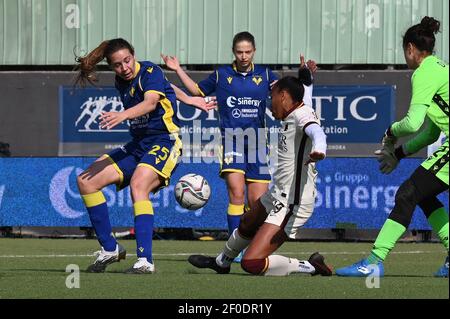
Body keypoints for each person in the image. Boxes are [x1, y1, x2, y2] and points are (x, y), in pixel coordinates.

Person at [162, 32, 316, 262]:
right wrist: (177, 69)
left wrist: (304, 76)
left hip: (257, 142)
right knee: (237, 193)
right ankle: (232, 251)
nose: (243, 56)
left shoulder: (264, 74)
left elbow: (290, 94)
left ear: (254, 51)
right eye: (239, 52)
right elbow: (197, 91)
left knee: (257, 204)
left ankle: (252, 249)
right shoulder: (221, 74)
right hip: (232, 139)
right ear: (233, 52)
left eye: (248, 52)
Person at [74, 38, 215, 274]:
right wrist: (189, 99)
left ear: (134, 55)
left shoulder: (150, 69)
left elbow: (151, 102)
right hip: (139, 144)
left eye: (127, 61)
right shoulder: (123, 81)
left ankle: (145, 261)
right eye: (117, 65)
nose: (124, 68)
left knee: (139, 185)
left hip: (165, 140)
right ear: (112, 66)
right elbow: (166, 87)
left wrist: (122, 116)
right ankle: (110, 249)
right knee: (86, 181)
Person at [336, 16, 449, 278]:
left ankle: (374, 260)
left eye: (405, 52)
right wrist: (399, 153)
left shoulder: (424, 72)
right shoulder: (440, 69)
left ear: (410, 49)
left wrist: (390, 132)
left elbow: (411, 124)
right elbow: (431, 133)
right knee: (422, 195)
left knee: (407, 193)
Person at [188, 73, 332, 276]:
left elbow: (317, 131)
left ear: (283, 96)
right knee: (247, 222)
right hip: (278, 194)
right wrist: (306, 79)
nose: (269, 105)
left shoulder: (302, 115)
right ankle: (222, 263)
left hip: (293, 203)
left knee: (252, 263)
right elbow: (305, 96)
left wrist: (320, 149)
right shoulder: (296, 110)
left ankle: (311, 266)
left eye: (271, 97)